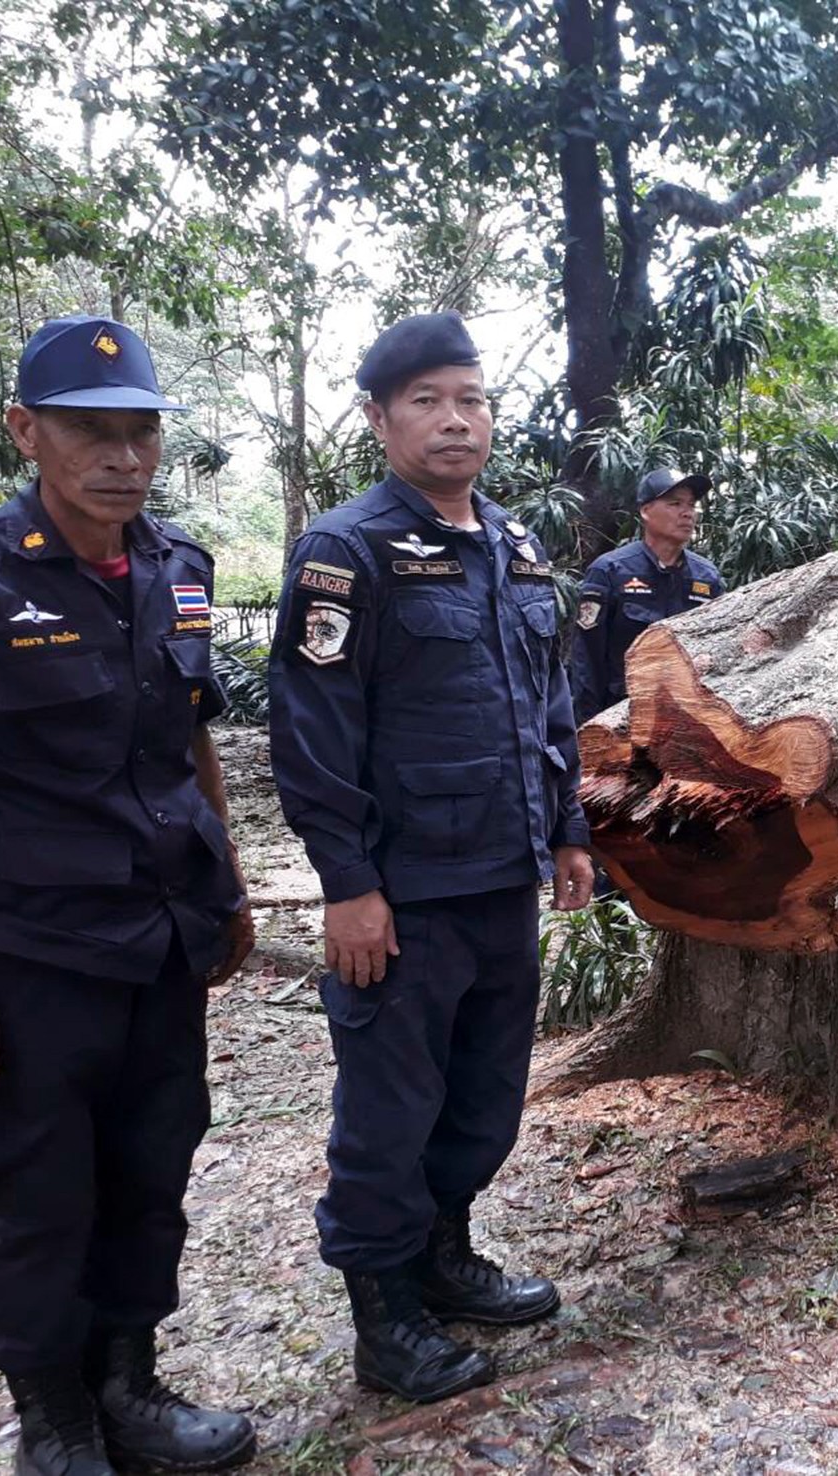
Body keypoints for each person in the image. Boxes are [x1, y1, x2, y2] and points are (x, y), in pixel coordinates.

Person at [0, 317, 256, 1476]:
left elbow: (190, 738)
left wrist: (230, 883)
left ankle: (129, 1383)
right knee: (38, 1186)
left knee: (153, 1163)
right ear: (27, 431)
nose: (121, 457)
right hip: (32, 950)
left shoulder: (180, 569)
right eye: (89, 432)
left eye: (140, 435)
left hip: (162, 932)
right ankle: (53, 1417)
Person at [268, 312, 596, 1404]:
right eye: (427, 401)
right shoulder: (345, 552)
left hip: (502, 877)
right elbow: (310, 733)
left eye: (472, 398)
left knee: (485, 1097)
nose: (455, 420)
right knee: (390, 1108)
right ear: (379, 418)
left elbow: (547, 703)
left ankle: (445, 1258)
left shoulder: (510, 546)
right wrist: (348, 887)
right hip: (402, 895)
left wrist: (567, 830)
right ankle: (385, 1315)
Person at [567, 466, 725, 725]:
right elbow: (587, 661)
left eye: (691, 504)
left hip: (687, 722)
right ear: (645, 511)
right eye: (675, 503)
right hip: (620, 718)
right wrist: (588, 729)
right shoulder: (610, 571)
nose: (687, 513)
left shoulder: (706, 577)